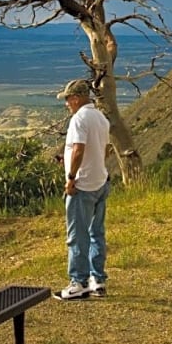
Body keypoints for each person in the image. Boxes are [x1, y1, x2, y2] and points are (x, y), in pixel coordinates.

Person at [52, 78, 111, 300]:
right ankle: (98, 280)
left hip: (83, 185)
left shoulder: (79, 119)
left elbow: (78, 149)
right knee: (96, 233)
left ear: (76, 98)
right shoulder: (100, 117)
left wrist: (70, 177)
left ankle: (78, 282)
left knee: (77, 236)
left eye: (67, 99)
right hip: (101, 181)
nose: (67, 103)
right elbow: (100, 150)